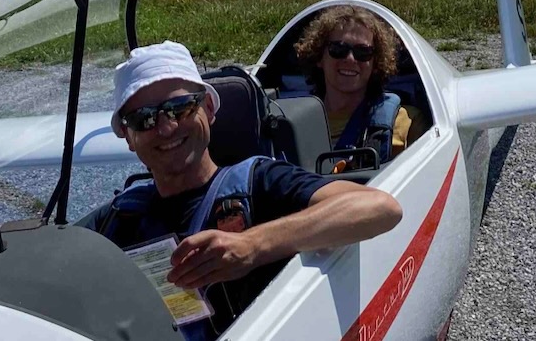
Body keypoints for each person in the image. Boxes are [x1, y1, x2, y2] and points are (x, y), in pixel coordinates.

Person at [77, 40, 402, 341]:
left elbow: (379, 208)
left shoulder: (259, 183)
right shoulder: (120, 217)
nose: (166, 127)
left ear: (208, 108)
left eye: (179, 108)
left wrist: (253, 245)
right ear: (128, 137)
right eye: (144, 119)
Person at [292, 5, 431, 164]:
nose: (350, 59)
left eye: (362, 52)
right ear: (319, 57)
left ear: (376, 63)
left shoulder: (407, 123)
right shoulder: (293, 125)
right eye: (338, 49)